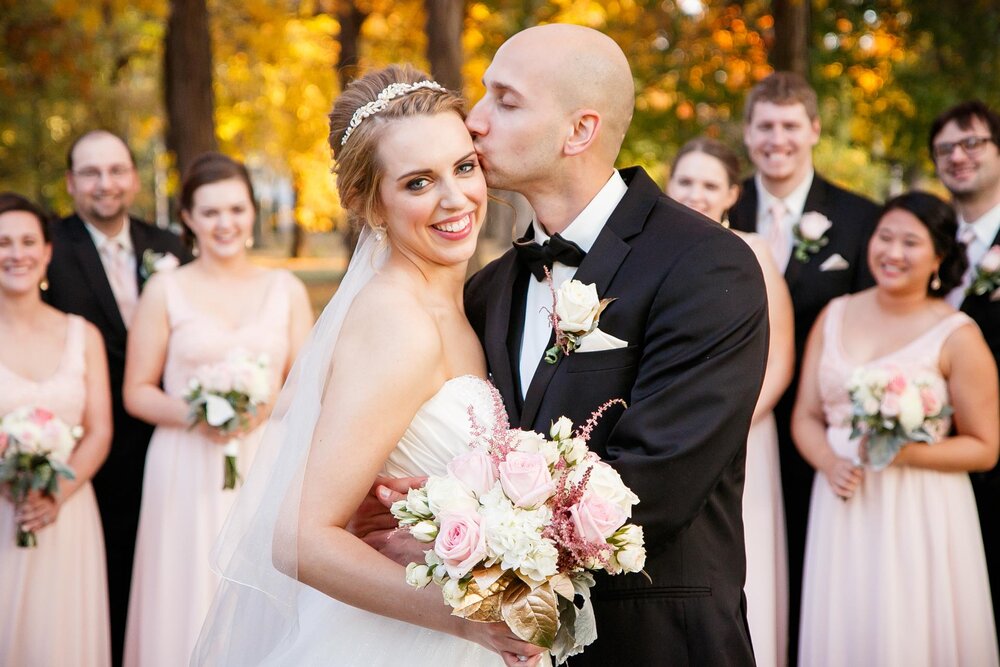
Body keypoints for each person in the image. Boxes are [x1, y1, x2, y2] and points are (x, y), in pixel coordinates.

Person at [193, 66, 548, 666]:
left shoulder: (461, 303)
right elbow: (300, 540)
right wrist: (467, 619)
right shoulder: (397, 323)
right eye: (417, 183)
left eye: (464, 167)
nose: (454, 198)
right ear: (368, 203)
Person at [120, 153, 312, 667]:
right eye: (209, 212)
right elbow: (137, 390)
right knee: (185, 584)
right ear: (187, 219)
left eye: (235, 209)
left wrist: (260, 407)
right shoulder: (166, 290)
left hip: (262, 458)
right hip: (184, 464)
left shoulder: (286, 290)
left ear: (252, 212)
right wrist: (199, 414)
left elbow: (306, 384)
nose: (224, 223)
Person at [792, 191, 999, 666]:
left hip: (922, 509)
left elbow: (985, 447)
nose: (892, 252)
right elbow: (806, 414)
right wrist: (828, 461)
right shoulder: (835, 313)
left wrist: (899, 453)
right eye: (885, 237)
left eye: (910, 242)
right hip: (843, 500)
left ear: (939, 257)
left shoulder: (959, 335)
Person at [727, 72, 881, 661]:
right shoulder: (720, 205)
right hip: (745, 427)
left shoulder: (860, 218)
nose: (777, 138)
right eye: (765, 125)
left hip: (826, 434)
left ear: (814, 130)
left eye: (791, 125)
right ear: (747, 133)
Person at [44, 129, 193, 667]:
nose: (104, 184)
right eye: (90, 173)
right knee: (102, 571)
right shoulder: (50, 250)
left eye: (115, 170)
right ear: (71, 182)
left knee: (166, 569)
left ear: (132, 177)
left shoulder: (169, 247)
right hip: (87, 441)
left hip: (169, 439)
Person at [668, 136, 795, 667]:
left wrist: (727, 427)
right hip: (670, 432)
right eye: (686, 181)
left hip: (741, 428)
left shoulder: (753, 250)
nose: (696, 194)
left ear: (731, 195)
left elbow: (781, 356)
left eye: (709, 185)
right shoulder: (654, 249)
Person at [0, 193, 113, 665]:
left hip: (68, 510)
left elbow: (99, 430)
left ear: (47, 252)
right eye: (2, 242)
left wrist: (55, 495)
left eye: (28, 241)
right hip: (5, 510)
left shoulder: (82, 334)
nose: (16, 253)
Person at [929, 99, 1000, 642]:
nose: (958, 156)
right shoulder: (930, 241)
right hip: (939, 448)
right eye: (945, 148)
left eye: (972, 142)